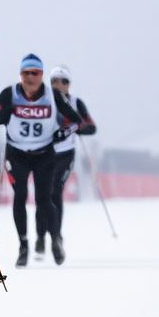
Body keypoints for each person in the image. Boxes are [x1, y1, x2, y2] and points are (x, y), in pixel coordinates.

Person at [0, 55, 84, 267]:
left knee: (44, 198)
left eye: (35, 73)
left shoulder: (53, 95)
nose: (30, 77)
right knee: (20, 196)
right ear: (20, 75)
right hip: (17, 154)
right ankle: (24, 246)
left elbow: (76, 120)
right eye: (26, 73)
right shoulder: (10, 93)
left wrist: (62, 134)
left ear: (41, 75)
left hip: (44, 154)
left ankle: (55, 239)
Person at [45, 65, 97, 258]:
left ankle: (56, 236)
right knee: (44, 194)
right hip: (45, 154)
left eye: (63, 81)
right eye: (54, 81)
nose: (59, 85)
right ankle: (43, 235)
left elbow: (91, 127)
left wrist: (73, 128)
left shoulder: (76, 102)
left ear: (69, 84)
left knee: (55, 190)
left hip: (65, 154)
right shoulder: (43, 101)